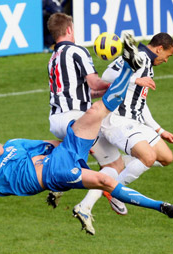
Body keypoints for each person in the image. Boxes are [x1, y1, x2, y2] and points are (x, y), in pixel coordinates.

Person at [0, 37, 173, 254]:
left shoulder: (13, 145)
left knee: (96, 110)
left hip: (64, 151)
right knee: (106, 180)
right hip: (55, 173)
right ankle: (160, 206)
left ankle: (128, 70)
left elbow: (47, 142)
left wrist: (81, 140)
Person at [73, 33, 173, 233]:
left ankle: (115, 170)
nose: (166, 60)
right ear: (159, 48)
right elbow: (107, 76)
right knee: (147, 157)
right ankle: (114, 190)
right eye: (167, 55)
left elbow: (140, 102)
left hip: (135, 121)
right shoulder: (137, 56)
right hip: (117, 120)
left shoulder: (147, 64)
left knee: (166, 157)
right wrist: (135, 79)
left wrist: (159, 129)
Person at [45, 12, 129, 222]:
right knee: (115, 166)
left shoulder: (53, 58)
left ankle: (59, 183)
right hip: (77, 120)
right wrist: (121, 83)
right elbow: (95, 84)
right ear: (69, 30)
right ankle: (86, 205)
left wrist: (105, 91)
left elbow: (85, 92)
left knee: (78, 158)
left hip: (57, 120)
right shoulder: (76, 51)